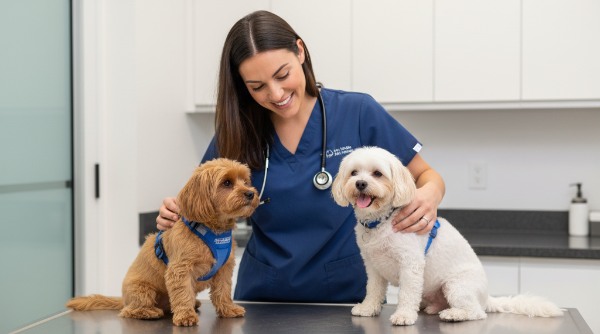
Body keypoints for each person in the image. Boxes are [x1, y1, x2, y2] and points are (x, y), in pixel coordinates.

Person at [156, 10, 445, 303]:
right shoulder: (238, 130)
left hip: (348, 297)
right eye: (257, 87)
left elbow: (427, 176)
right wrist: (174, 210)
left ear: (300, 51)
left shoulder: (357, 111)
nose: (277, 93)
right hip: (261, 299)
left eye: (283, 75)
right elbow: (200, 198)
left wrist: (430, 194)